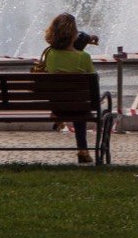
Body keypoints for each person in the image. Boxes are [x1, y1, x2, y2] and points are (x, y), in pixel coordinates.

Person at [42, 13, 97, 164]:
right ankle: (83, 149)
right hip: (79, 107)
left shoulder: (50, 55)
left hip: (58, 106)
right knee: (80, 107)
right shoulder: (83, 57)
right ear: (74, 35)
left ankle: (59, 118)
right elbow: (93, 81)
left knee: (69, 99)